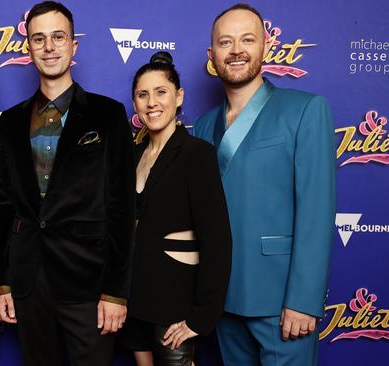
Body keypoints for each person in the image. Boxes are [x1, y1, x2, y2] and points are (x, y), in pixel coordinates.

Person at [0, 2, 135, 365]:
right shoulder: (10, 121)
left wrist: (116, 293)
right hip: (29, 283)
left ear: (74, 46)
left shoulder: (108, 114)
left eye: (58, 37)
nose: (49, 47)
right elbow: (4, 205)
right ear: (29, 49)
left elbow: (121, 206)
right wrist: (3, 280)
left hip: (88, 282)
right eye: (39, 39)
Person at [194, 4, 336, 365]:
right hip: (223, 297)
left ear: (266, 46)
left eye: (247, 39)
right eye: (225, 42)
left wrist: (303, 301)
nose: (236, 50)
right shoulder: (203, 126)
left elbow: (316, 213)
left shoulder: (305, 110)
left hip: (280, 301)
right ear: (212, 56)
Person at [122, 51, 232, 366]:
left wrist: (201, 317)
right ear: (135, 104)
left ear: (179, 97)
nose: (151, 102)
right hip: (134, 301)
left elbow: (217, 241)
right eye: (143, 95)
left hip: (175, 306)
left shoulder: (197, 155)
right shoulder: (132, 155)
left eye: (161, 92)